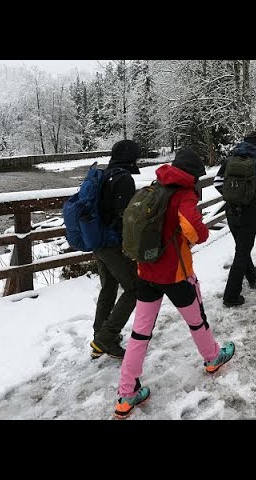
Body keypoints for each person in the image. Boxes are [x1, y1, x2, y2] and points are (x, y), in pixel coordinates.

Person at [114, 147, 235, 419]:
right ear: (192, 175)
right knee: (196, 320)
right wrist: (199, 235)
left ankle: (126, 393)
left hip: (146, 271)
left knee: (140, 333)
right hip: (175, 275)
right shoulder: (184, 194)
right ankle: (213, 358)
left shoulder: (157, 186)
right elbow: (194, 229)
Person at [213, 131, 256, 307]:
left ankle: (251, 274)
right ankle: (231, 296)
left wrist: (231, 197)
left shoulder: (229, 160)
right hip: (250, 212)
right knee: (242, 251)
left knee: (242, 246)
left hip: (231, 211)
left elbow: (217, 183)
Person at [90, 140, 141, 360]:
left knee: (109, 288)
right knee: (134, 289)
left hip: (98, 241)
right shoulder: (123, 179)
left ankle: (99, 337)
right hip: (113, 244)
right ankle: (106, 338)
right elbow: (126, 217)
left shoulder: (105, 175)